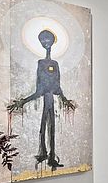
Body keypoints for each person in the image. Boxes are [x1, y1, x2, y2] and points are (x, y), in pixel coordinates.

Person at [8, 29, 76, 171]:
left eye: (47, 39)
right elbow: (39, 87)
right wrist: (23, 101)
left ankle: (50, 156)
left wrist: (64, 99)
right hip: (45, 96)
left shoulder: (55, 64)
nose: (45, 42)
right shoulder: (40, 63)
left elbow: (57, 85)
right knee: (45, 126)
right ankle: (44, 154)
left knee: (51, 127)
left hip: (50, 97)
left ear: (52, 41)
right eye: (43, 40)